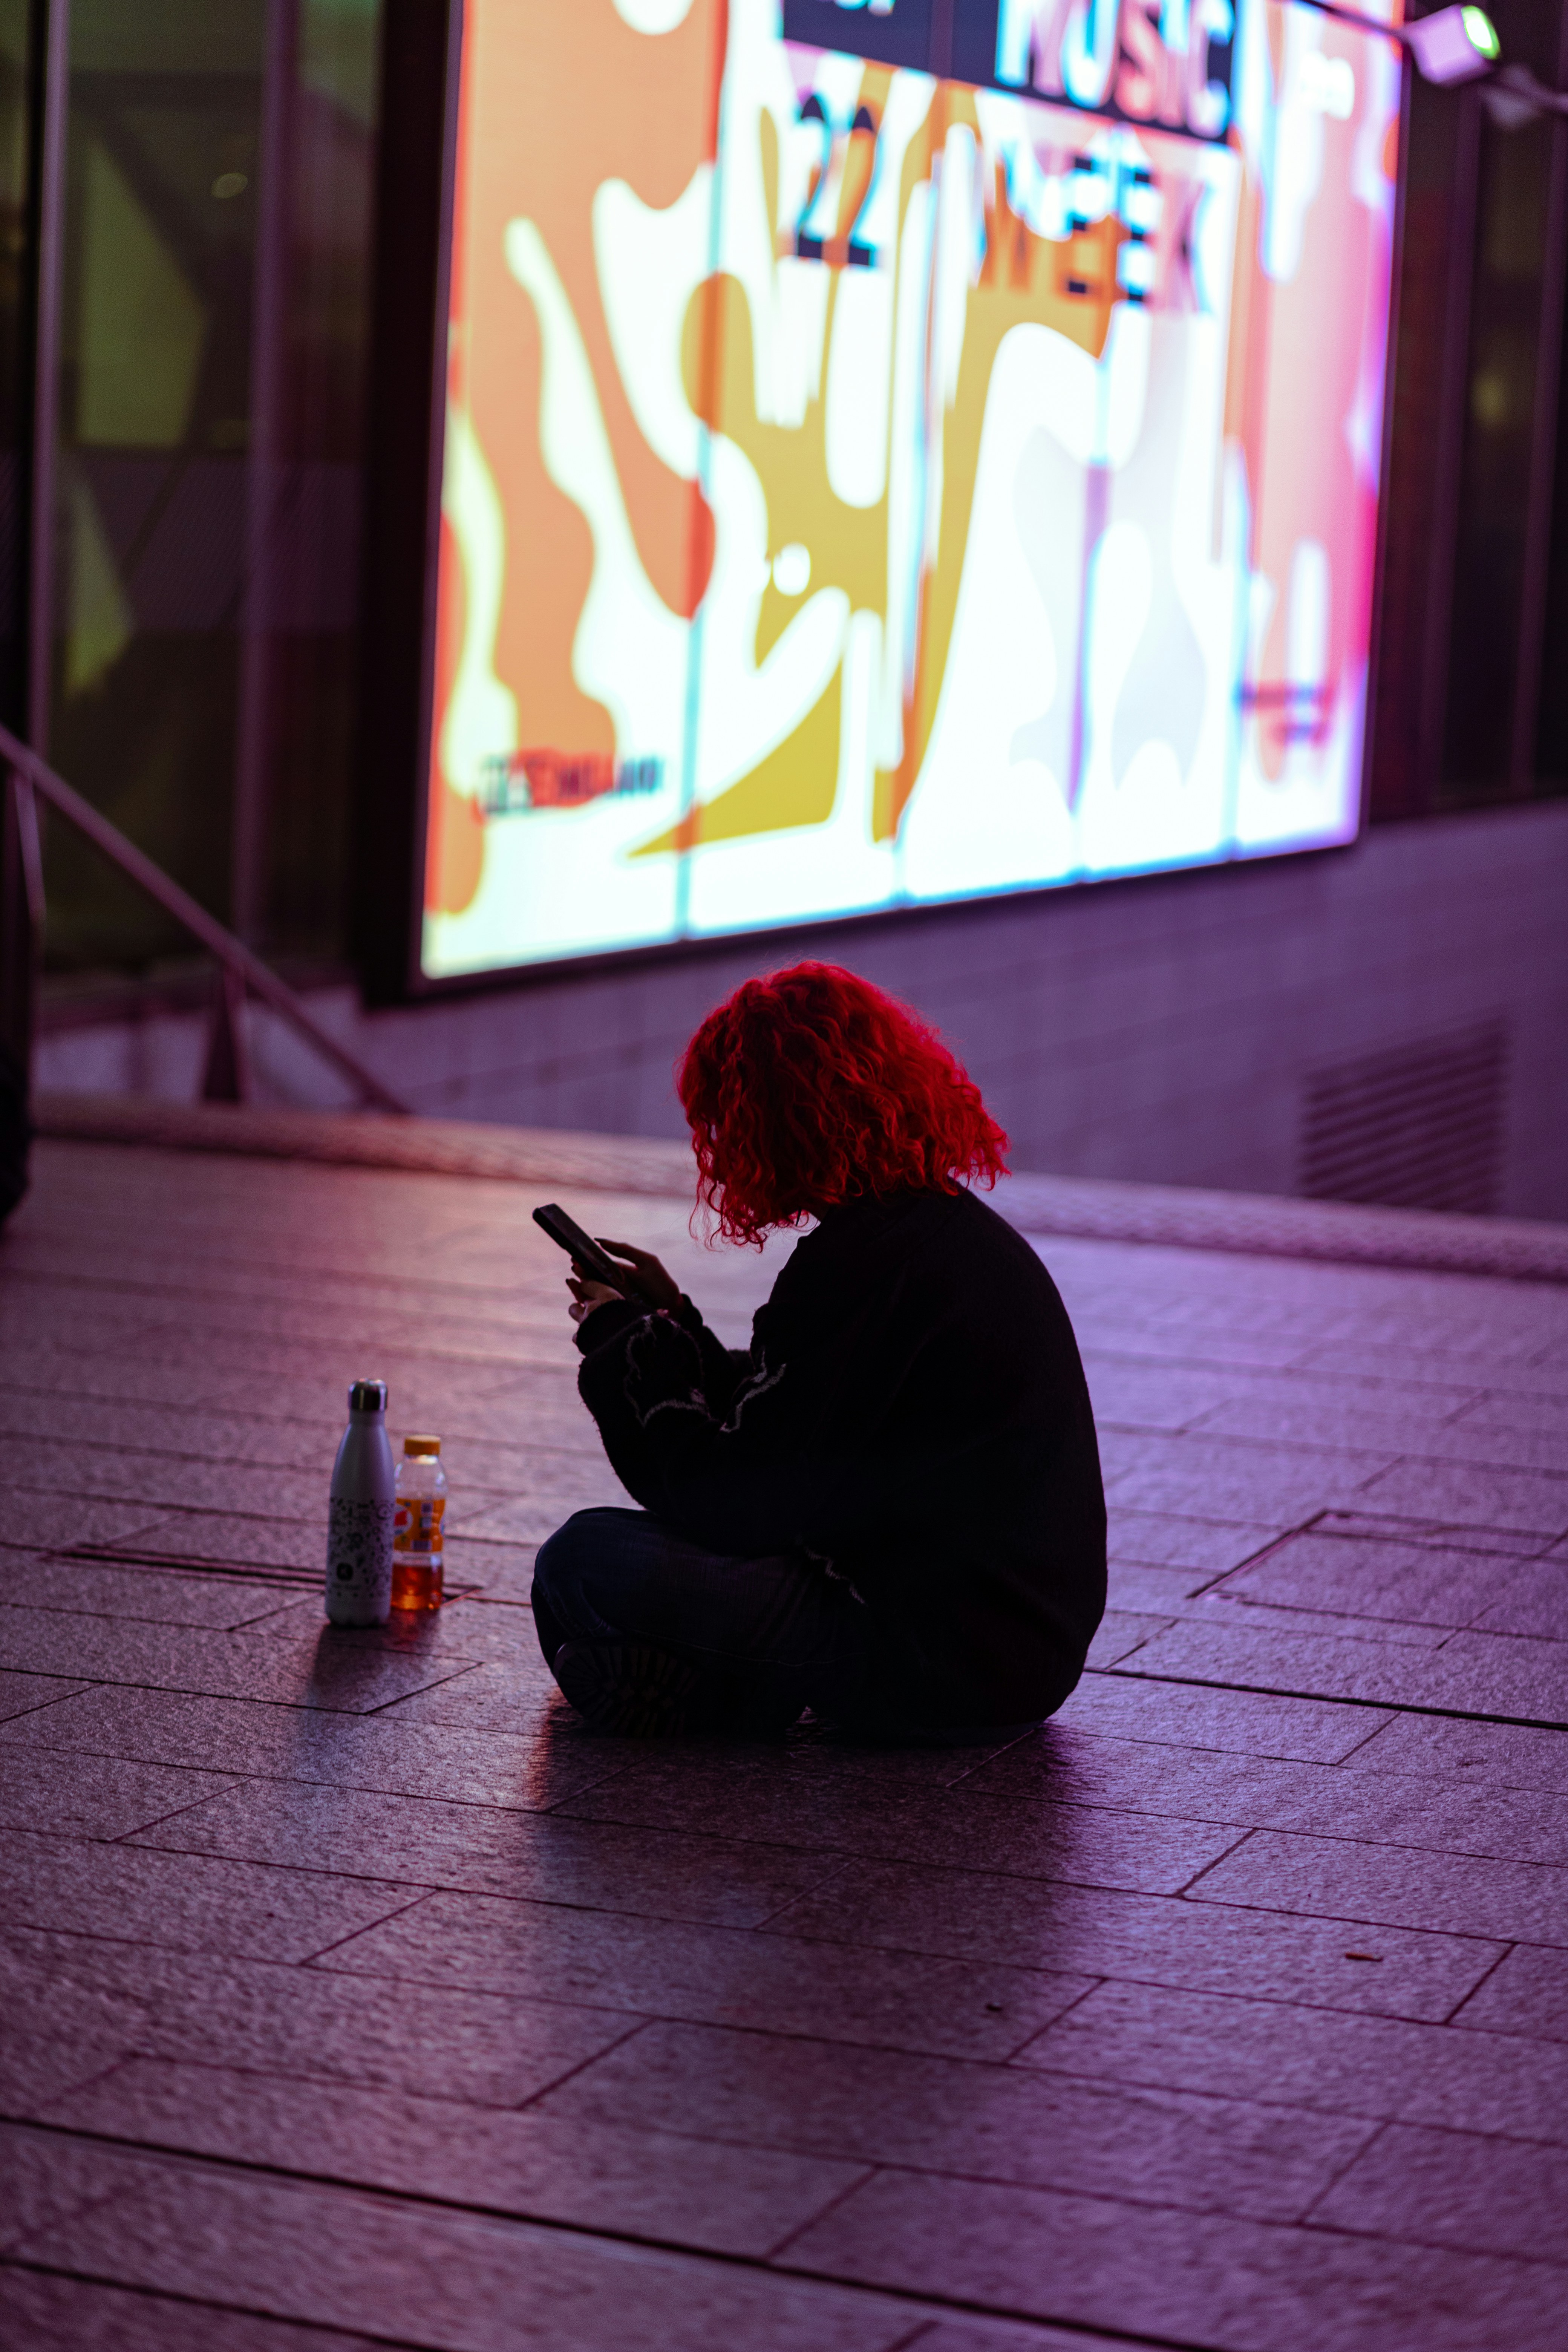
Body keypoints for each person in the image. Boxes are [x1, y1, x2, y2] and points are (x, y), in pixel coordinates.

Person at [531, 962, 1105, 1740]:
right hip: (1006, 1652)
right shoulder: (930, 1232)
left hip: (931, 1656)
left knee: (583, 1564)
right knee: (602, 1571)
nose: (715, 1152)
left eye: (718, 1125)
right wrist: (674, 1320)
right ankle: (711, 1689)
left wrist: (620, 1344)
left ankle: (717, 1698)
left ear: (770, 1119)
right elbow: (794, 1422)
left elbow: (735, 1499)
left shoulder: (867, 1264)